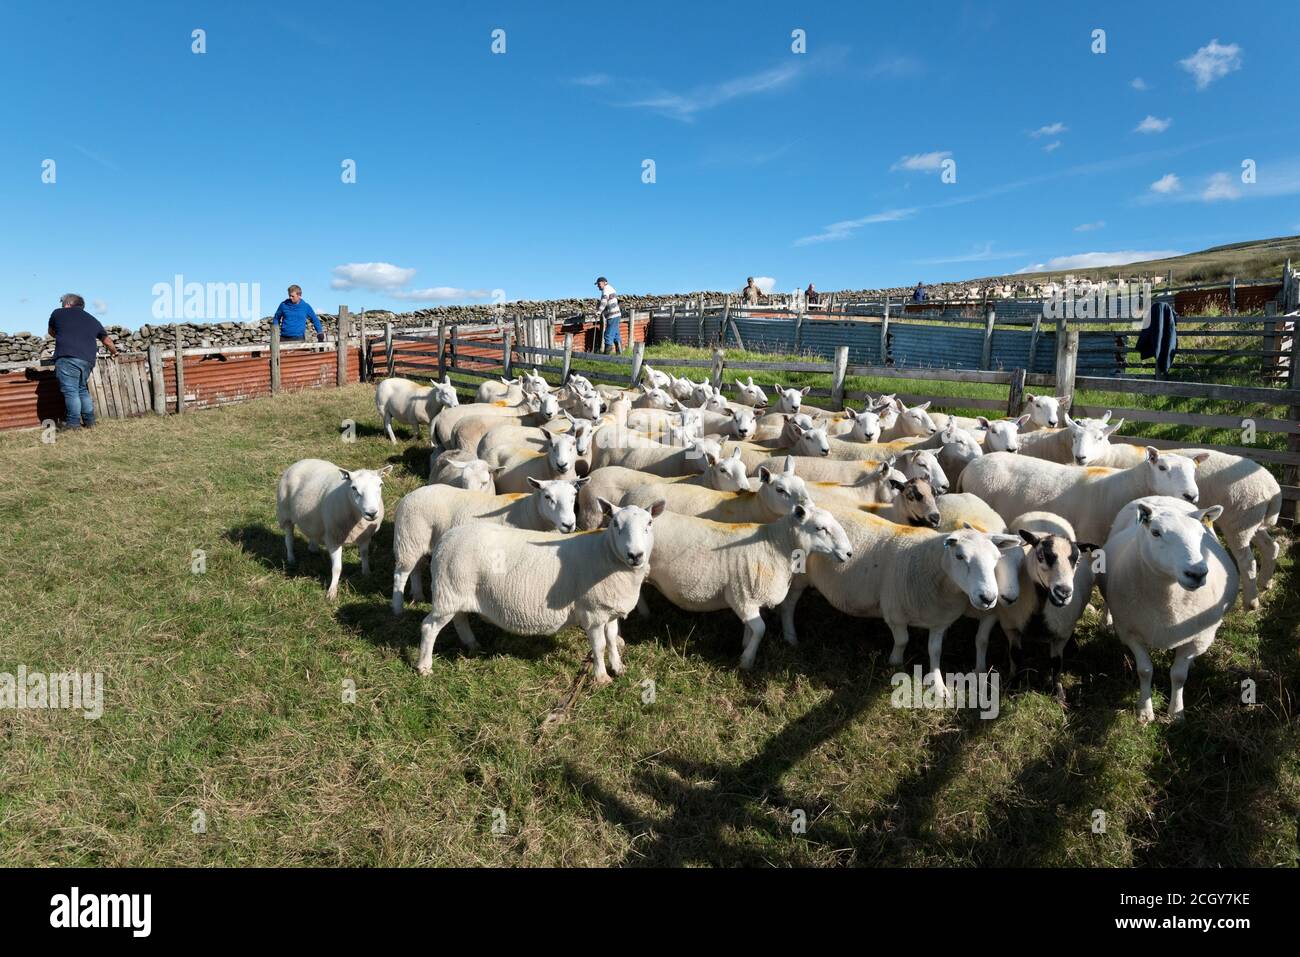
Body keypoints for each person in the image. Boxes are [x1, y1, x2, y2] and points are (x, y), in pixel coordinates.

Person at [47, 294, 118, 431]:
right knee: (82, 389)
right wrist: (114, 352)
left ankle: (73, 425)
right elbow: (107, 341)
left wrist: (63, 335)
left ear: (67, 304)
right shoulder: (92, 319)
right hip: (87, 360)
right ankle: (90, 422)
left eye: (63, 303)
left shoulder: (58, 313)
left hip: (67, 357)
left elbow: (51, 332)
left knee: (71, 391)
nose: (62, 306)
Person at [595, 276, 622, 354]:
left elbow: (604, 301)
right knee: (616, 335)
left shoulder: (606, 289)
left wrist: (599, 312)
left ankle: (606, 357)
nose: (598, 286)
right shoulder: (610, 288)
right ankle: (619, 354)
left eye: (599, 284)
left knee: (608, 335)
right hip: (616, 314)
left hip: (612, 315)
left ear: (605, 282)